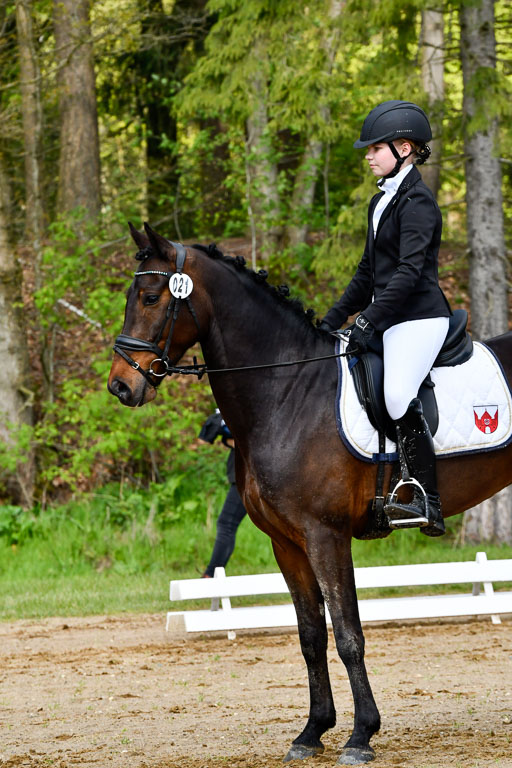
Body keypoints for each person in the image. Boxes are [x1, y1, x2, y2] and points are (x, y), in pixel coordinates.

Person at [319, 100, 451, 537]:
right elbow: (367, 274)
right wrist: (330, 320)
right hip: (389, 316)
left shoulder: (418, 203)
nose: (368, 155)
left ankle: (428, 501)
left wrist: (368, 321)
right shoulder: (381, 202)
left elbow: (410, 275)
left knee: (396, 395)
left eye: (375, 148)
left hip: (419, 318)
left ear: (404, 148)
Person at [199, 410, 247, 577]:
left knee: (226, 524)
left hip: (247, 477)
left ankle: (211, 575)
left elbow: (249, 441)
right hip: (247, 475)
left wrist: (227, 437)